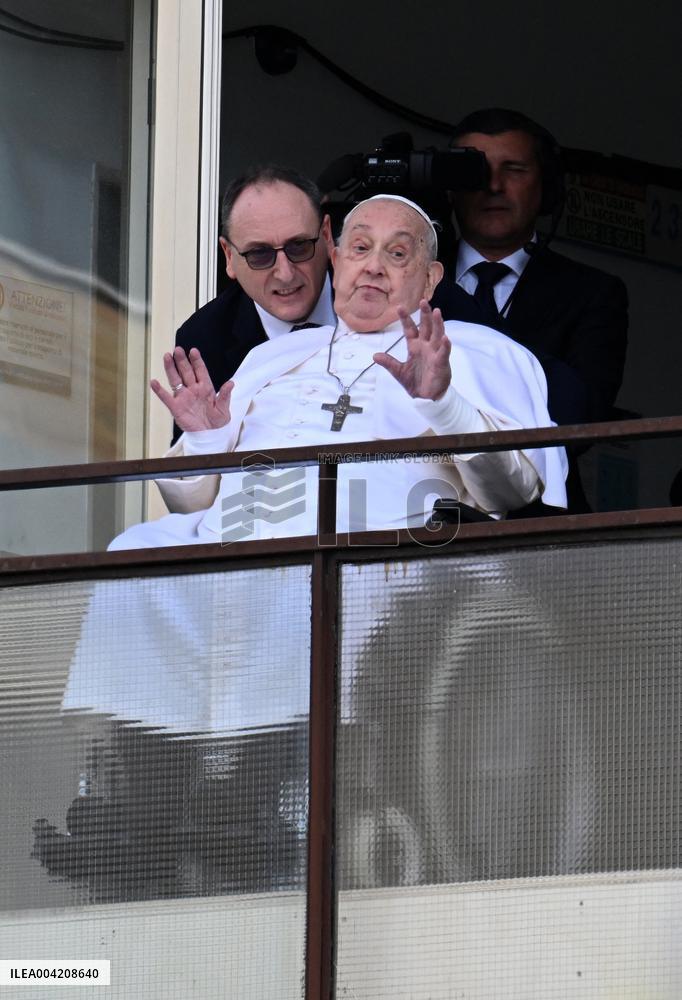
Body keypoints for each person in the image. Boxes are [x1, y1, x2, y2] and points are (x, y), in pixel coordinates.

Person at [114, 193, 567, 550]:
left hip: (382, 555)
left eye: (397, 254)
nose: (373, 265)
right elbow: (188, 503)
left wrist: (444, 404)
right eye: (361, 247)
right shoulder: (273, 357)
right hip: (233, 547)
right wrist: (206, 440)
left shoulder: (475, 349)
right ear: (337, 260)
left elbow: (513, 491)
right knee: (130, 552)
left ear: (430, 278)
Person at [431, 108, 629, 511]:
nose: (493, 185)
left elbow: (582, 420)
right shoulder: (401, 278)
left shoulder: (594, 292)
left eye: (514, 169)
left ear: (547, 188)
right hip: (416, 511)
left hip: (540, 527)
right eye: (474, 170)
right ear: (449, 188)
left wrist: (451, 300)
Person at [171, 165, 335, 440]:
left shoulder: (390, 298)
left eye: (299, 246)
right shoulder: (204, 338)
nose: (285, 273)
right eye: (260, 254)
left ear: (328, 236)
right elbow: (195, 475)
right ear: (229, 256)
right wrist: (207, 440)